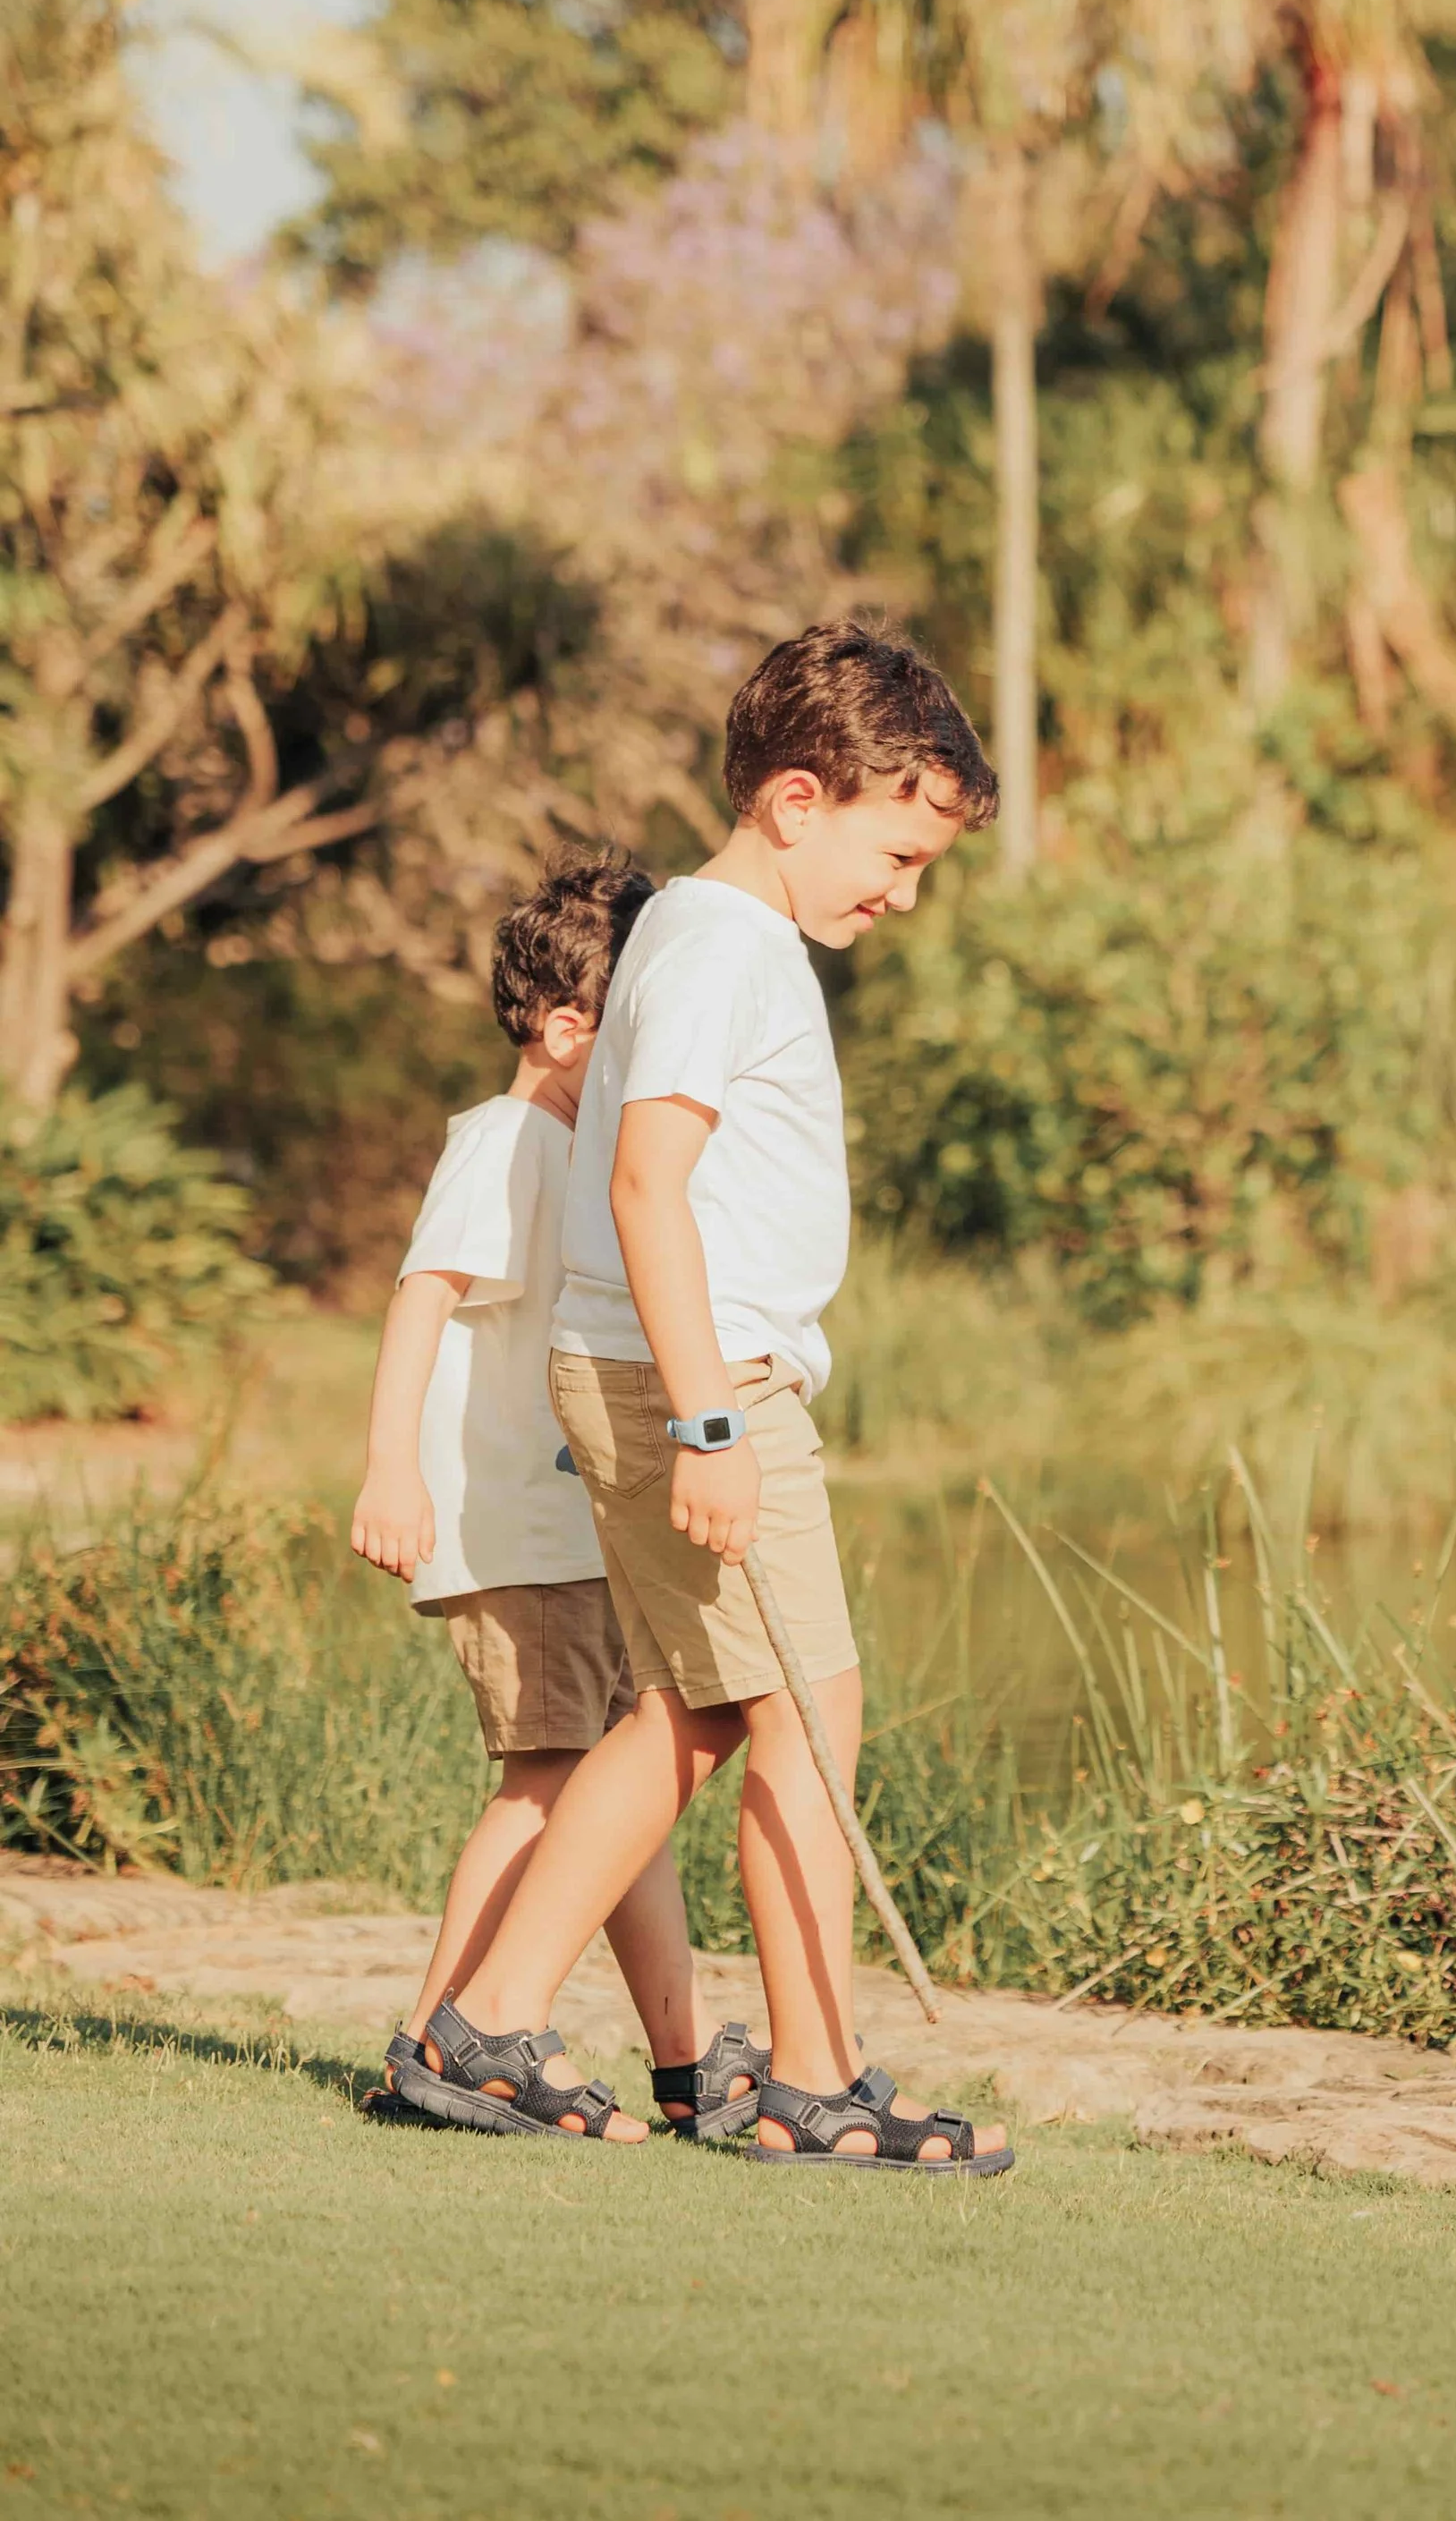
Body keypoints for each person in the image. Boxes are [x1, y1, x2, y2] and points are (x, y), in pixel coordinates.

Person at [394, 620, 1013, 2172]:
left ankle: (488, 2028)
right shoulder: (728, 945)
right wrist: (712, 1423)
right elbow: (649, 1181)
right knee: (812, 1711)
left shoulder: (700, 932)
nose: (904, 889)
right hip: (699, 1374)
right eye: (897, 848)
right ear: (797, 801)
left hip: (675, 1369)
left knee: (698, 1714)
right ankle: (808, 2079)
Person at [351, 848, 758, 2139]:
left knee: (607, 1794)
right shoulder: (505, 1143)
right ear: (570, 1025)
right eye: (629, 1030)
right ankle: (435, 2045)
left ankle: (684, 2063)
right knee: (542, 1784)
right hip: (513, 1530)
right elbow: (421, 1304)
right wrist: (388, 1467)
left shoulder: (571, 1159)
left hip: (572, 1527)